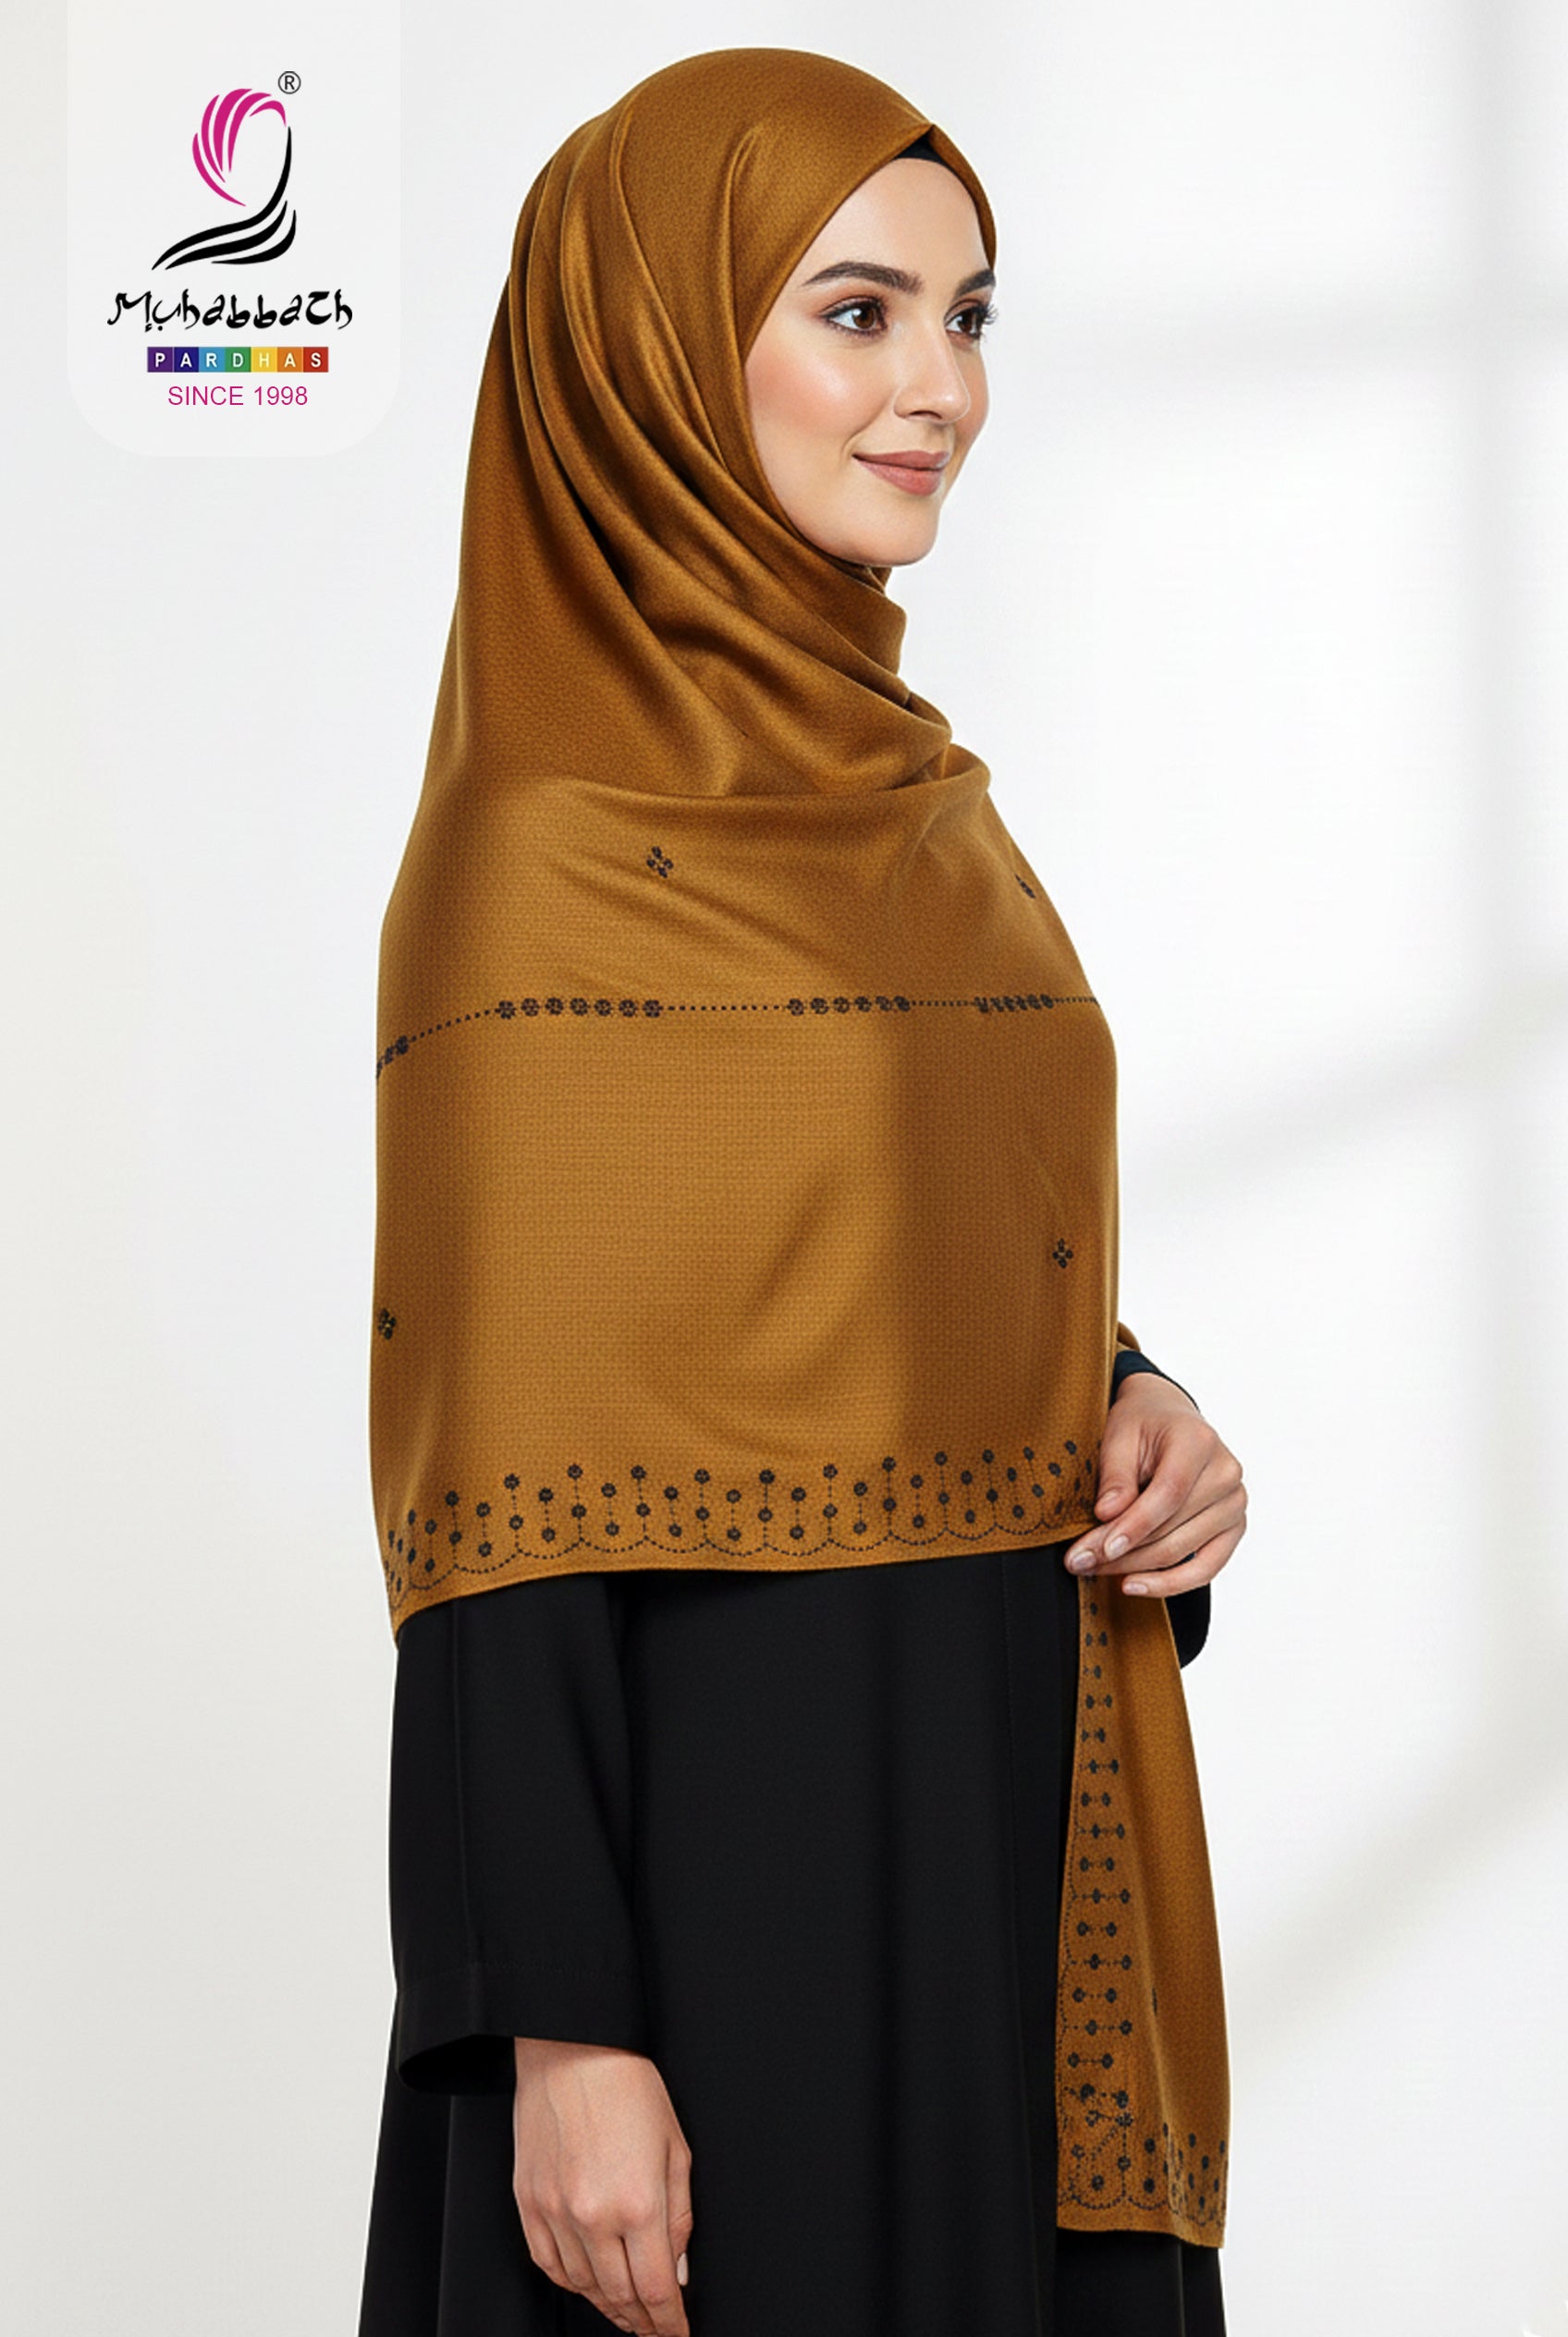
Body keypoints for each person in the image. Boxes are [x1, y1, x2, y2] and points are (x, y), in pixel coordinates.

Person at [356, 47, 1245, 2337]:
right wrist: (558, 2030)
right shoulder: (535, 851)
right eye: (855, 312)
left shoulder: (928, 815)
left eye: (966, 316)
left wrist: (1129, 1395)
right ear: (651, 351)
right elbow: (491, 1491)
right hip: (718, 1879)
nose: (939, 386)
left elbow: (923, 1237)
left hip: (999, 1802)